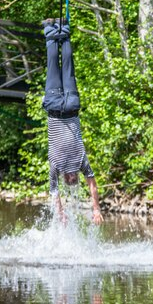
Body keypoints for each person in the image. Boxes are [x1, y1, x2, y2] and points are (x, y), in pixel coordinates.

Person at [42, 18, 103, 225]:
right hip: (55, 107)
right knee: (55, 65)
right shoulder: (58, 165)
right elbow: (55, 192)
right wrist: (62, 213)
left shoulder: (80, 162)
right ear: (69, 178)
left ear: (74, 176)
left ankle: (62, 29)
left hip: (70, 106)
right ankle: (51, 29)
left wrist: (96, 209)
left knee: (67, 67)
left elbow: (91, 183)